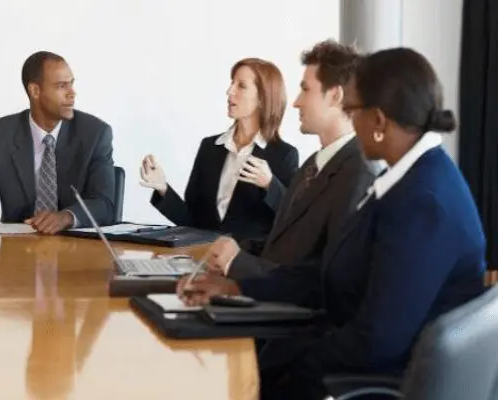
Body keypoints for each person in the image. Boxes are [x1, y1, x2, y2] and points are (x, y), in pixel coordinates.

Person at [177, 47, 487, 399]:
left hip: (374, 383)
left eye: (354, 111)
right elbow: (330, 273)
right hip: (351, 356)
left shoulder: (423, 201)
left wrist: (292, 371)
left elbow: (377, 339)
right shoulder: (411, 180)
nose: (351, 123)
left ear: (380, 121)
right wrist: (238, 288)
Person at [203, 40, 379, 279]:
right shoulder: (313, 165)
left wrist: (238, 265)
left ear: (335, 96)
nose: (296, 102)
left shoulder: (359, 175)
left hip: (288, 310)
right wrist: (233, 253)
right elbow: (282, 247)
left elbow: (329, 280)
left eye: (305, 89)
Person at [140, 58, 299, 241]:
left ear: (263, 98)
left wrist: (270, 184)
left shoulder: (283, 155)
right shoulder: (210, 147)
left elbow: (293, 219)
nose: (229, 91)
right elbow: (191, 221)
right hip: (201, 259)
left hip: (247, 265)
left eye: (241, 86)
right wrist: (163, 188)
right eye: (232, 83)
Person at [0, 51, 115, 234]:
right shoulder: (2, 135)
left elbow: (105, 204)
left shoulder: (95, 134)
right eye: (61, 86)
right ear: (35, 91)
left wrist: (67, 216)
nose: (72, 93)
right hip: (17, 247)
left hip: (77, 250)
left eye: (71, 84)